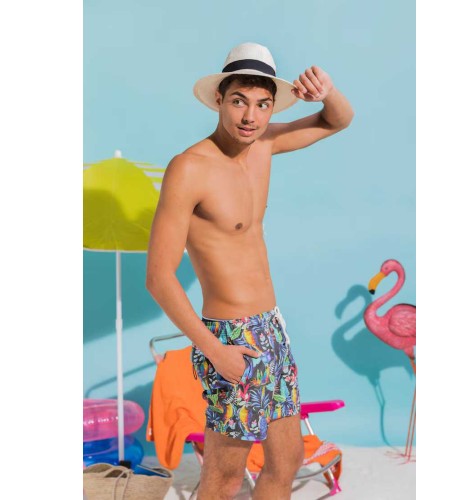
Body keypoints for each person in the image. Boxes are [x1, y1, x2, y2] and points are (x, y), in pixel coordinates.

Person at [146, 42, 354, 500]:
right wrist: (215, 350)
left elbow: (337, 119)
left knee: (286, 460)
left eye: (262, 105)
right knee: (224, 476)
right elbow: (159, 277)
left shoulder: (265, 144)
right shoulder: (189, 168)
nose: (250, 116)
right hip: (230, 337)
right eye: (239, 101)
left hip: (271, 327)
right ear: (219, 99)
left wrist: (327, 91)